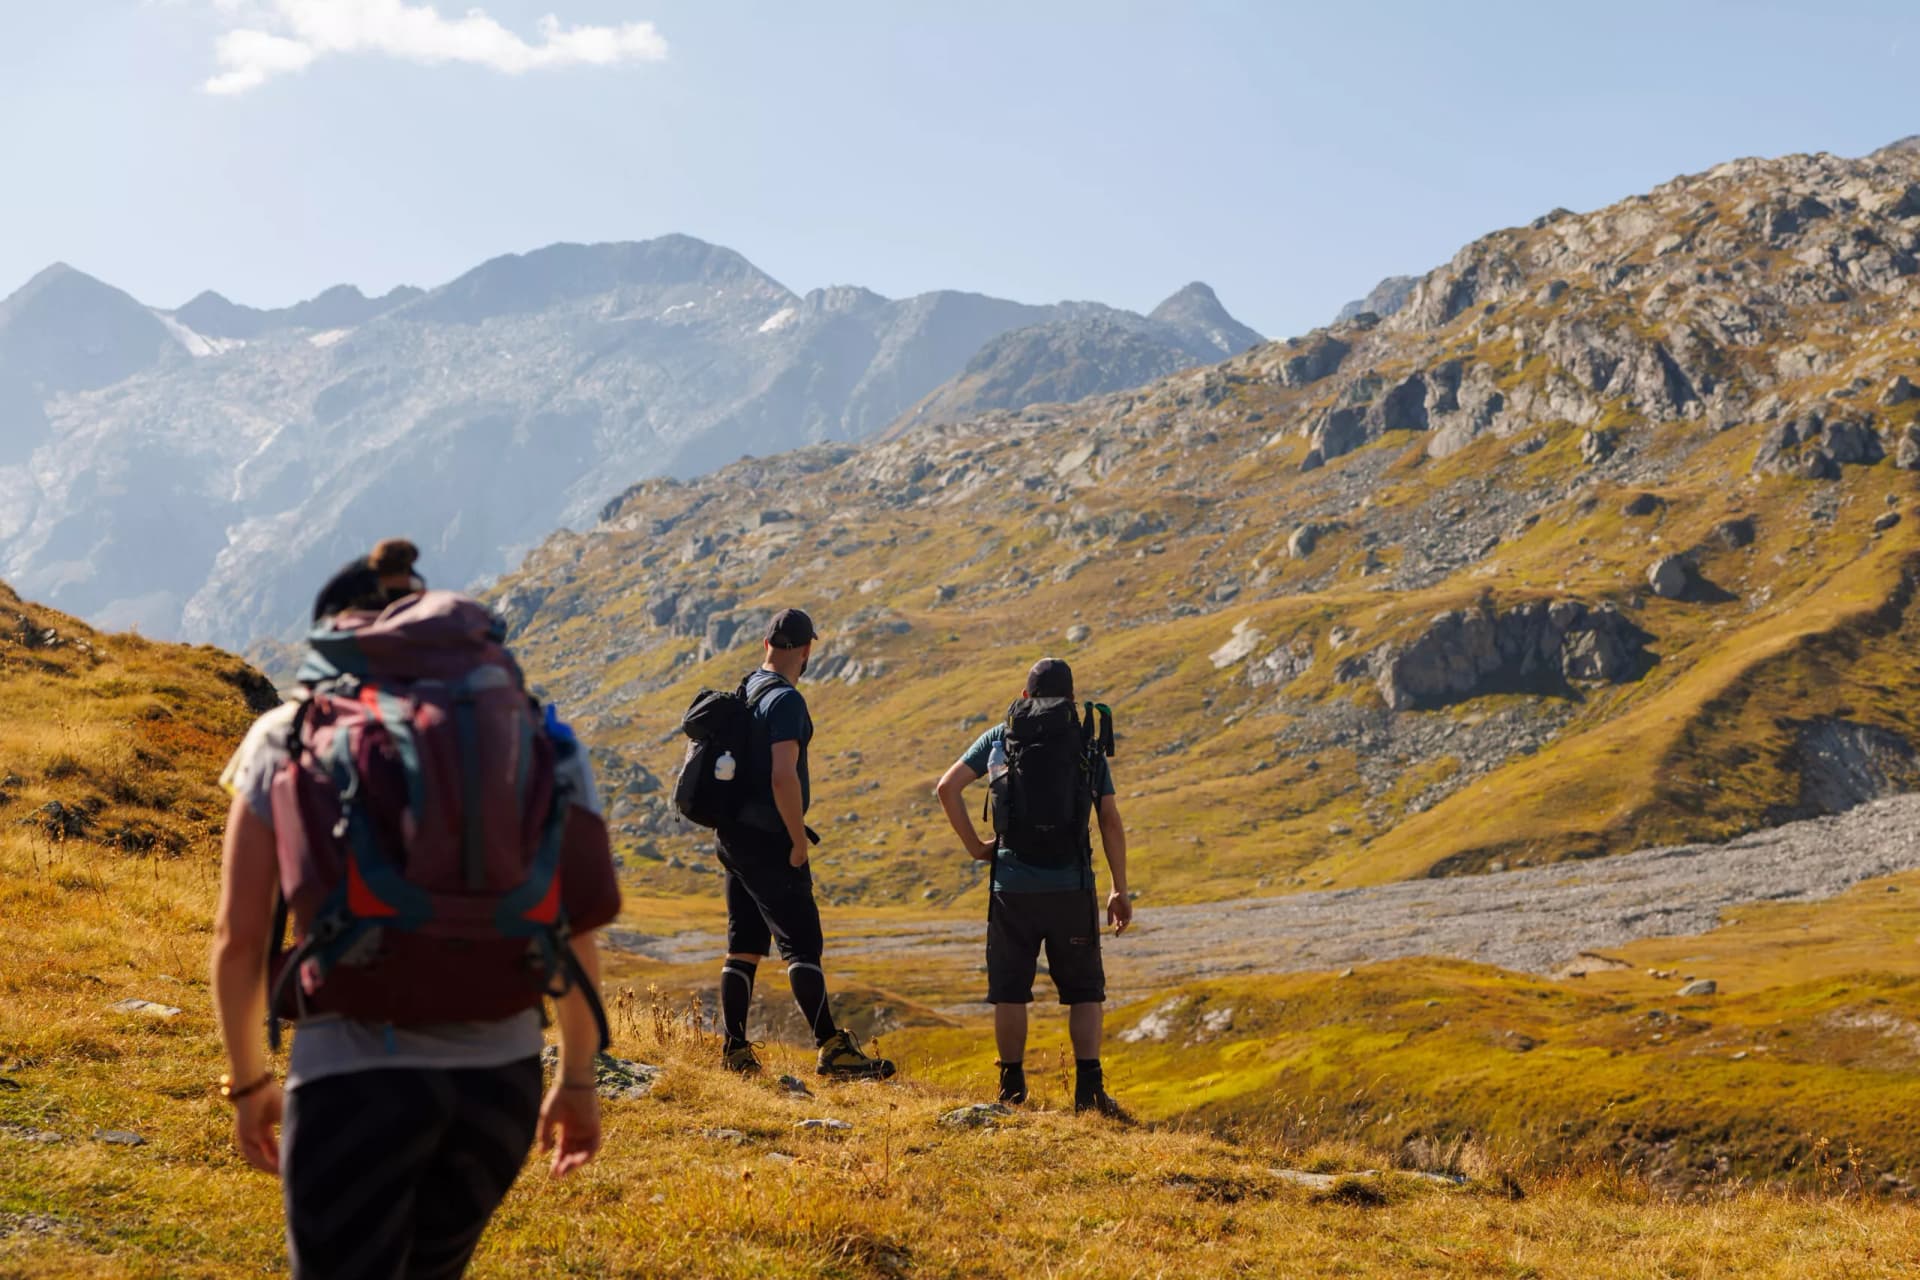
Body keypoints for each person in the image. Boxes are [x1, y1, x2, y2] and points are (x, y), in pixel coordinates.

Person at [211, 539, 621, 1279]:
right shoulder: (533, 735)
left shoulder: (290, 732)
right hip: (501, 1081)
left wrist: (249, 1082)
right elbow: (573, 931)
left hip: (353, 1078)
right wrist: (580, 1079)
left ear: (336, 636)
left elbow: (239, 938)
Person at [934, 657, 1133, 1116]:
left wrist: (976, 846)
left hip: (1011, 888)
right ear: (1071, 699)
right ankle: (1088, 1093)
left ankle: (1011, 1090)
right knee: (1084, 990)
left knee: (1010, 990)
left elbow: (947, 788)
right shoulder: (1086, 742)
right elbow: (1109, 820)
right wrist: (1119, 889)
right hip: (1071, 886)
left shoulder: (999, 739)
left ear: (1025, 697)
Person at [714, 607, 895, 1079]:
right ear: (806, 648)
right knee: (801, 945)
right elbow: (782, 776)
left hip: (733, 836)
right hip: (770, 840)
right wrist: (797, 840)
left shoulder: (748, 686)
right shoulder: (786, 701)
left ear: (767, 643)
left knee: (744, 945)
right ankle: (831, 1049)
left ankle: (734, 1049)